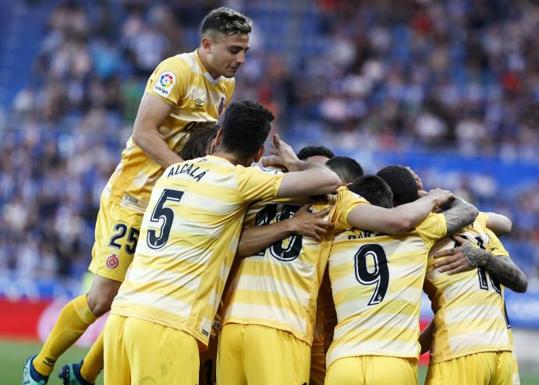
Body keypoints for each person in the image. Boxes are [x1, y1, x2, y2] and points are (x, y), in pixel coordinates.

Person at [23, 7, 252, 385]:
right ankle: (39, 367)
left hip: (170, 205)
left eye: (245, 51)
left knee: (136, 300)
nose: (241, 59)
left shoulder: (225, 87)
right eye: (233, 50)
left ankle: (82, 374)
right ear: (207, 44)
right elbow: (144, 132)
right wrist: (187, 173)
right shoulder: (175, 72)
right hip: (134, 196)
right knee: (102, 298)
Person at [102, 100, 341, 385]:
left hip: (122, 317)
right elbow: (330, 180)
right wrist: (292, 163)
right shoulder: (238, 180)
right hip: (168, 323)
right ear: (258, 153)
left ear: (218, 137)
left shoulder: (171, 173)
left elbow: (223, 240)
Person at [217, 157, 458, 385]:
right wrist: (430, 198)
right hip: (290, 330)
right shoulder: (338, 213)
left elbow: (233, 244)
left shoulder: (262, 199)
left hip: (329, 355)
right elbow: (415, 219)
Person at [376, 165, 527, 385]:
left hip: (458, 351)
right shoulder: (477, 225)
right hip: (502, 354)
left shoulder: (416, 235)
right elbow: (521, 281)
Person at [323, 175, 479, 385]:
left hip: (343, 362)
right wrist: (431, 197)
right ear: (390, 206)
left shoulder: (335, 239)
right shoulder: (417, 233)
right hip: (394, 362)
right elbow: (469, 212)